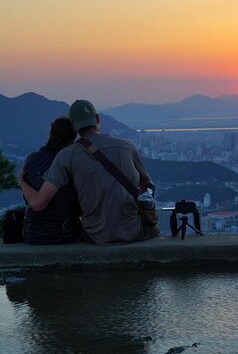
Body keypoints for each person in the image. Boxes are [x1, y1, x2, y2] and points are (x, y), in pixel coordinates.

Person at [19, 100, 158, 245]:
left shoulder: (66, 156)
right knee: (153, 228)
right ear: (97, 119)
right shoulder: (127, 146)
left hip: (95, 235)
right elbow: (148, 184)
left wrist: (21, 181)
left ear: (74, 127)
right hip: (133, 232)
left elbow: (39, 204)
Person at [21, 117, 81, 244]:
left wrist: (21, 182)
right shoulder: (68, 161)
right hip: (64, 233)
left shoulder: (31, 159)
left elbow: (29, 200)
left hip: (32, 234)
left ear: (51, 133)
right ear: (74, 136)